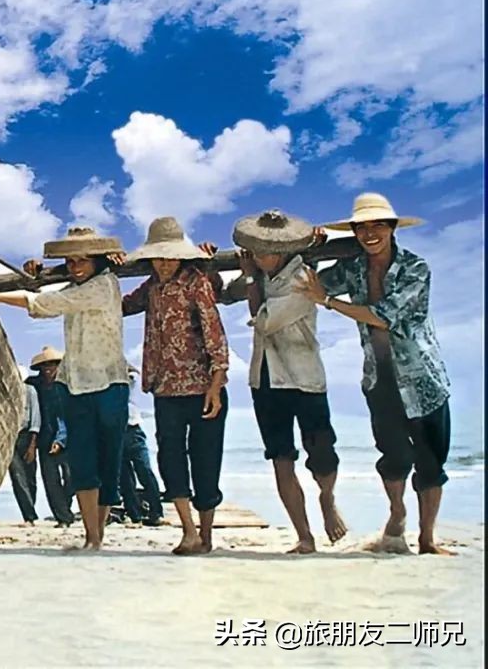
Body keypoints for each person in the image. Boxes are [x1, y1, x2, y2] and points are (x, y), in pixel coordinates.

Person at [298, 193, 453, 555]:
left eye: (378, 225)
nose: (370, 234)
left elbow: (383, 316)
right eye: (362, 227)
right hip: (379, 379)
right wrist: (311, 250)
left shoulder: (416, 268)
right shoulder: (352, 268)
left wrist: (329, 302)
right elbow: (308, 282)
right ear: (353, 232)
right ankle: (397, 512)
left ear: (392, 228)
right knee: (393, 459)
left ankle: (427, 539)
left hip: (424, 379)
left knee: (431, 463)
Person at [0, 227, 132, 551]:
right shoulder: (75, 285)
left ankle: (97, 535)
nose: (76, 267)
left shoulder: (105, 285)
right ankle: (92, 537)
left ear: (98, 261)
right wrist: (37, 273)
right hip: (75, 383)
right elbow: (52, 294)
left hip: (109, 383)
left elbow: (49, 302)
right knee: (84, 462)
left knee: (108, 462)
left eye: (82, 261)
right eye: (70, 262)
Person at [228, 210, 346, 553]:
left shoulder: (302, 277)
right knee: (280, 457)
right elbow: (226, 293)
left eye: (267, 250)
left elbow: (263, 320)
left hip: (304, 378)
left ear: (283, 249)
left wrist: (250, 279)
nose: (260, 256)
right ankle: (304, 537)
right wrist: (244, 274)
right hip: (265, 379)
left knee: (322, 456)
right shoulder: (258, 274)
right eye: (255, 250)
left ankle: (327, 498)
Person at [120, 217, 230, 555]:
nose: (164, 264)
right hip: (166, 389)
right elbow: (121, 306)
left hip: (203, 389)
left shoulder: (197, 283)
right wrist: (107, 268)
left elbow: (215, 334)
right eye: (158, 258)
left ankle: (206, 535)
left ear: (181, 256)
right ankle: (188, 531)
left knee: (206, 460)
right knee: (170, 460)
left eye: (169, 257)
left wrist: (216, 385)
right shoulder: (151, 287)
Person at [25, 346, 75, 527]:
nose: (48, 368)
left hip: (68, 436)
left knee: (71, 479)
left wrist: (61, 439)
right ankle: (63, 517)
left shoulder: (66, 386)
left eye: (52, 364)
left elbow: (67, 416)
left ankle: (65, 510)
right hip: (44, 437)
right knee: (51, 481)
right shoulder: (33, 384)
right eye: (45, 365)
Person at [120, 369, 163, 527]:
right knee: (125, 478)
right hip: (116, 431)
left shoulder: (129, 380)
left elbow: (132, 375)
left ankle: (156, 512)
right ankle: (134, 515)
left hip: (133, 429)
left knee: (145, 471)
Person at [8, 368, 42, 525]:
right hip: (11, 436)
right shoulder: (7, 391)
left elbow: (35, 417)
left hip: (26, 436)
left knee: (30, 477)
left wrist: (32, 444)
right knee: (17, 477)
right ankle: (29, 516)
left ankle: (30, 511)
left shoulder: (30, 391)